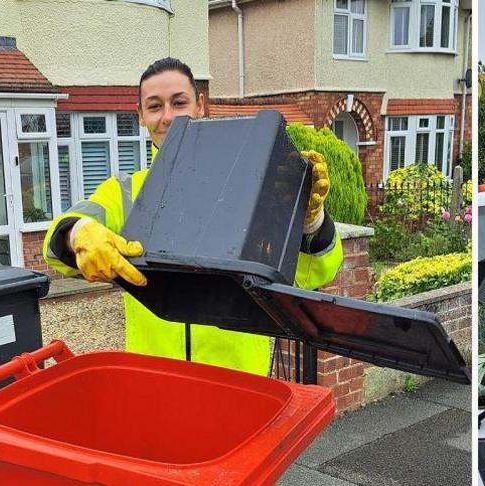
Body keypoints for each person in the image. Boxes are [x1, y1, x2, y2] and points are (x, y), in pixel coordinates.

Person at [42, 57, 342, 375]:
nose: (168, 116)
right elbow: (59, 241)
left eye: (179, 102)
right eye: (155, 106)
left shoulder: (245, 186)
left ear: (200, 105)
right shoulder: (124, 193)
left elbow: (313, 275)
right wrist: (77, 233)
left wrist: (310, 221)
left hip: (240, 383)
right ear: (140, 116)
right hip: (157, 386)